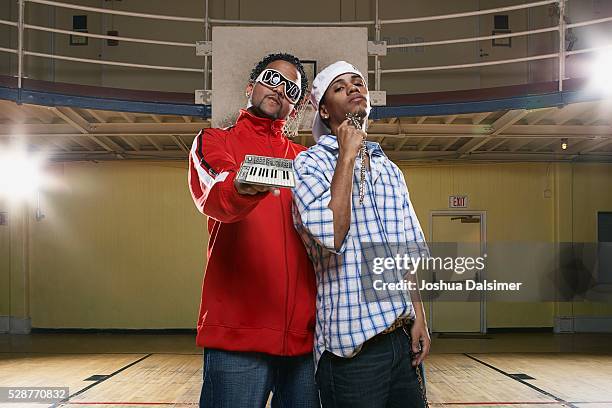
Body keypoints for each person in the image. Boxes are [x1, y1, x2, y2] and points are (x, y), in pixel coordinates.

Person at [292, 60, 431, 408]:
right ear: (324, 110)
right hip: (351, 352)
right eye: (340, 87)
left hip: (401, 340)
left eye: (358, 83)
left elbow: (409, 250)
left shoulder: (389, 169)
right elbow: (331, 235)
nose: (354, 88)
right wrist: (347, 155)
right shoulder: (309, 164)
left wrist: (420, 317)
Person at [188, 53, 319, 408]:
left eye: (290, 87)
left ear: (295, 107)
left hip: (304, 343)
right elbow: (216, 195)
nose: (279, 89)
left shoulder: (306, 159)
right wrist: (243, 187)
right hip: (237, 337)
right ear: (250, 87)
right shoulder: (214, 140)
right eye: (271, 78)